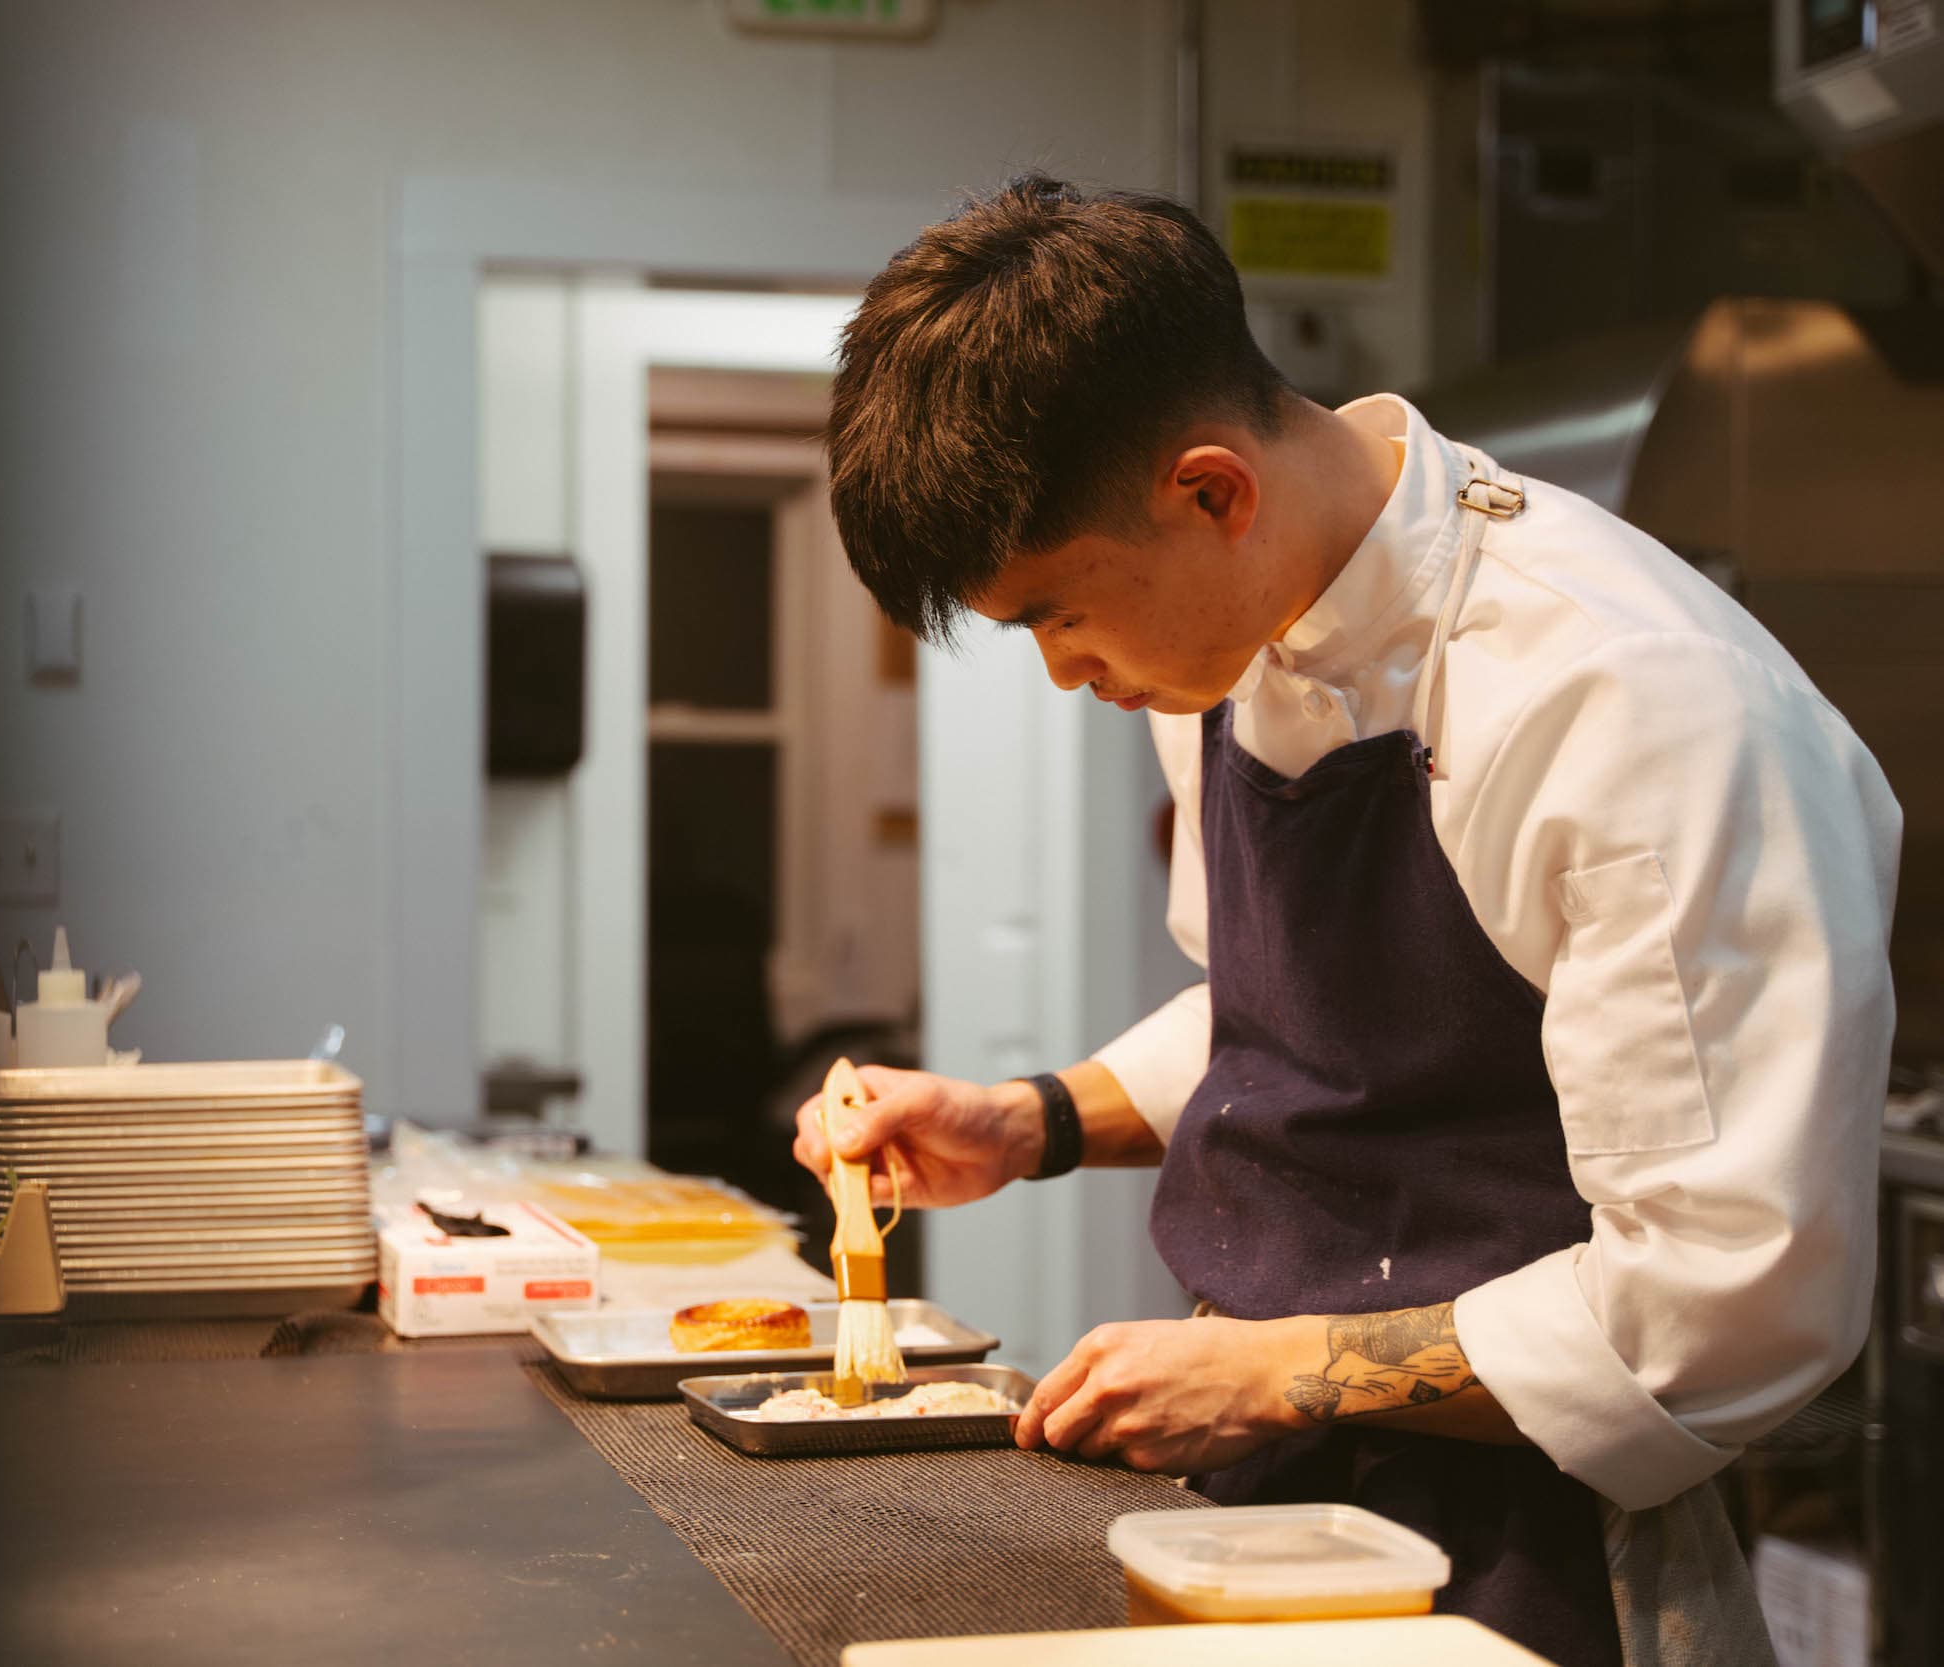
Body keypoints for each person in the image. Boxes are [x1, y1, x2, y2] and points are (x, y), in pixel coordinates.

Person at [793, 175, 1899, 1667]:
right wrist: (1028, 1119)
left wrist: (1288, 1371)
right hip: (1248, 1513)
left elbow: (1723, 1301)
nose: (1067, 673)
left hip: (1548, 1549)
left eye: (1059, 613)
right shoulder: (1224, 639)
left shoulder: (1629, 704)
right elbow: (1282, 1017)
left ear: (1210, 491)